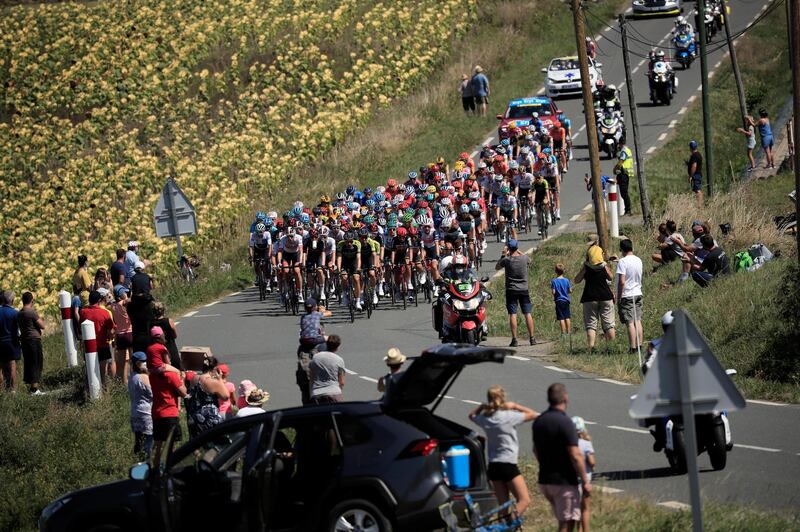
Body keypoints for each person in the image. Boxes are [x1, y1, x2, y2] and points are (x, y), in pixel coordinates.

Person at [469, 386, 538, 516]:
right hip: (508, 464)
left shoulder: (487, 419)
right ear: (503, 398)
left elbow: (472, 416)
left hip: (493, 465)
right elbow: (534, 414)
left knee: (503, 505)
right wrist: (516, 406)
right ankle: (511, 522)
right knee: (524, 500)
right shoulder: (510, 417)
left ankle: (501, 526)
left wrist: (482, 407)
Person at [533, 383, 592, 532]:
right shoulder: (565, 422)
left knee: (566, 519)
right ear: (565, 398)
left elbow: (535, 449)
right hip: (563, 481)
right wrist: (585, 481)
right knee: (567, 523)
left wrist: (545, 464)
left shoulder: (539, 421)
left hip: (545, 480)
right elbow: (575, 454)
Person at [574, 236, 615, 352]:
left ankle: (591, 348)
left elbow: (576, 280)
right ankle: (611, 348)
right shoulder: (603, 266)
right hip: (605, 296)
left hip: (589, 296)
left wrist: (585, 266)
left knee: (591, 325)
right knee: (609, 324)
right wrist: (605, 264)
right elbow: (611, 277)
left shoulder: (586, 267)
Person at [495, 239, 536, 347]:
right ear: (517, 247)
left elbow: (497, 267)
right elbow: (530, 260)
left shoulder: (507, 260)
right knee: (528, 313)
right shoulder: (524, 258)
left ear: (508, 248)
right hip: (524, 290)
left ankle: (514, 339)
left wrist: (503, 255)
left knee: (513, 314)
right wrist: (519, 251)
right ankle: (532, 338)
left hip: (511, 290)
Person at [150, 353, 187, 467]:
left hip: (157, 413)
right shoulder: (171, 376)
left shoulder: (152, 376)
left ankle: (155, 469)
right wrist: (182, 380)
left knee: (159, 444)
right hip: (170, 414)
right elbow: (183, 392)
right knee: (171, 446)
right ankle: (169, 469)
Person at [297, 298, 332, 404]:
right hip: (314, 341)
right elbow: (329, 313)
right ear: (315, 307)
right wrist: (323, 310)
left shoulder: (303, 317)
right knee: (330, 338)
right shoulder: (317, 314)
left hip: (303, 341)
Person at [184, 356, 228, 438]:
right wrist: (220, 379)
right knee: (219, 444)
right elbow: (226, 396)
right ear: (214, 369)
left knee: (198, 444)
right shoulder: (212, 382)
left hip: (195, 416)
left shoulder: (195, 378)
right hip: (209, 416)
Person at [79, 290, 116, 387]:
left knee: (90, 371)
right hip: (103, 345)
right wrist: (111, 339)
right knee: (103, 373)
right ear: (99, 300)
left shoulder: (83, 312)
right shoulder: (104, 313)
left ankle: (90, 391)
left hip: (89, 346)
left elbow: (80, 327)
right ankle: (105, 394)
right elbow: (111, 330)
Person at [615, 239, 643, 354]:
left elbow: (622, 281)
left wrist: (619, 296)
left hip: (627, 294)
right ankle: (640, 345)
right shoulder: (638, 260)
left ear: (622, 249)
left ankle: (633, 348)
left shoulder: (622, 262)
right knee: (638, 321)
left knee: (630, 322)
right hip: (638, 292)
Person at [18, 292, 45, 395]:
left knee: (29, 363)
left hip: (25, 341)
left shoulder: (19, 313)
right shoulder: (31, 312)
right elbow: (42, 325)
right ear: (32, 301)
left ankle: (32, 387)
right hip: (34, 341)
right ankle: (34, 389)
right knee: (36, 362)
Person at [572, 416, 596, 532]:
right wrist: (593, 467)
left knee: (575, 509)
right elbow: (591, 461)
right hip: (585, 480)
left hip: (571, 481)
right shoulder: (586, 444)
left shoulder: (568, 445)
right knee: (585, 508)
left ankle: (578, 529)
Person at [128, 351, 153, 459]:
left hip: (135, 412)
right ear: (138, 363)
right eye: (143, 361)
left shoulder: (132, 377)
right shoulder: (144, 377)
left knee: (138, 440)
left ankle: (136, 459)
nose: (146, 363)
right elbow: (152, 393)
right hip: (146, 413)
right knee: (148, 440)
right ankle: (146, 463)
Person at [308, 334, 345, 404]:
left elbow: (311, 378)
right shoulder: (339, 360)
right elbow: (342, 382)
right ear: (337, 347)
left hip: (317, 393)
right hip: (334, 393)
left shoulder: (315, 358)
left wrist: (311, 394)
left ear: (326, 344)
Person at [110, 285, 133, 382]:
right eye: (124, 292)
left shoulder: (113, 306)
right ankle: (134, 378)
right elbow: (132, 299)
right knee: (133, 358)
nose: (126, 294)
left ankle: (124, 383)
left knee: (122, 362)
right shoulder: (123, 303)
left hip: (119, 335)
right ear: (120, 295)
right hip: (129, 333)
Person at [0, 291, 21, 391]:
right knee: (12, 365)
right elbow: (19, 329)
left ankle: (1, 389)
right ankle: (13, 390)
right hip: (11, 342)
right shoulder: (15, 313)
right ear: (12, 301)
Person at [152, 301, 180, 370]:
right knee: (176, 368)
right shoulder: (169, 321)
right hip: (170, 347)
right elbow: (175, 335)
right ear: (163, 310)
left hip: (157, 350)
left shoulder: (151, 323)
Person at [551, 264, 573, 338]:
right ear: (564, 271)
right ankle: (569, 333)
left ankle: (563, 334)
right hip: (566, 301)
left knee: (561, 318)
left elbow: (553, 292)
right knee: (567, 317)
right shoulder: (566, 280)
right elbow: (570, 291)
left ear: (555, 271)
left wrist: (555, 292)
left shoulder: (554, 281)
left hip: (558, 301)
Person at [614, 140, 633, 215]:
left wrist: (615, 169)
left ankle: (628, 210)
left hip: (624, 174)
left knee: (624, 193)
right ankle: (627, 210)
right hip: (624, 174)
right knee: (623, 193)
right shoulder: (627, 150)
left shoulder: (624, 151)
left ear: (620, 144)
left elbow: (621, 162)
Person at [687, 140, 703, 206]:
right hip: (698, 174)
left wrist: (691, 176)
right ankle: (699, 204)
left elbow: (694, 166)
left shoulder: (694, 155)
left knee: (697, 190)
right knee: (697, 189)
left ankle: (699, 205)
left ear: (690, 148)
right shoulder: (698, 154)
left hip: (696, 175)